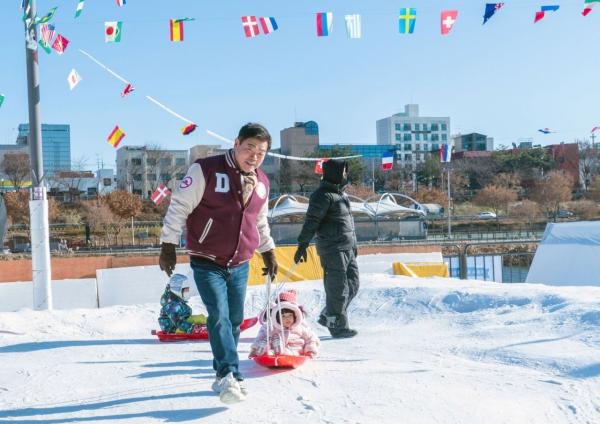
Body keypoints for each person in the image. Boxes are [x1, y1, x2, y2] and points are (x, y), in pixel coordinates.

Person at [158, 123, 278, 404]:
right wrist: (168, 244)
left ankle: (223, 370)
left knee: (235, 320)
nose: (254, 156)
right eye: (249, 148)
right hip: (207, 258)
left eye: (261, 152)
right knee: (219, 315)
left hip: (240, 261)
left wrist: (268, 250)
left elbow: (258, 220)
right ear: (236, 143)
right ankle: (229, 374)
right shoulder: (206, 169)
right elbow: (179, 206)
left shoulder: (262, 182)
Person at [294, 159, 360, 339]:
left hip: (347, 248)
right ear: (335, 173)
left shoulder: (342, 195)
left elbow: (348, 224)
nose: (346, 176)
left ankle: (328, 314)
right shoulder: (322, 195)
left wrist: (354, 245)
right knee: (338, 289)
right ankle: (337, 326)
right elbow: (311, 221)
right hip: (332, 248)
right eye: (344, 172)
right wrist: (303, 244)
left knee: (353, 285)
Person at [249, 289, 319, 358]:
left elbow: (311, 338)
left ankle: (275, 351)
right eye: (283, 316)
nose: (287, 318)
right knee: (267, 338)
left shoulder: (299, 326)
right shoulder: (273, 325)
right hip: (275, 345)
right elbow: (260, 336)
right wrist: (254, 350)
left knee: (291, 350)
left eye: (290, 315)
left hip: (295, 350)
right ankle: (265, 349)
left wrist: (310, 350)